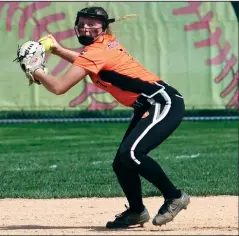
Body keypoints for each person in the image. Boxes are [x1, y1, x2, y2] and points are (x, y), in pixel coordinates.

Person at [31, 6, 190, 229]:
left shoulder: (96, 51)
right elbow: (86, 62)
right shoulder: (102, 46)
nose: (86, 26)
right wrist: (56, 50)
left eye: (93, 22)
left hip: (162, 101)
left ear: (104, 27)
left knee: (132, 153)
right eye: (83, 22)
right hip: (149, 103)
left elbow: (59, 87)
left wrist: (34, 69)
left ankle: (174, 197)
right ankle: (136, 212)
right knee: (121, 163)